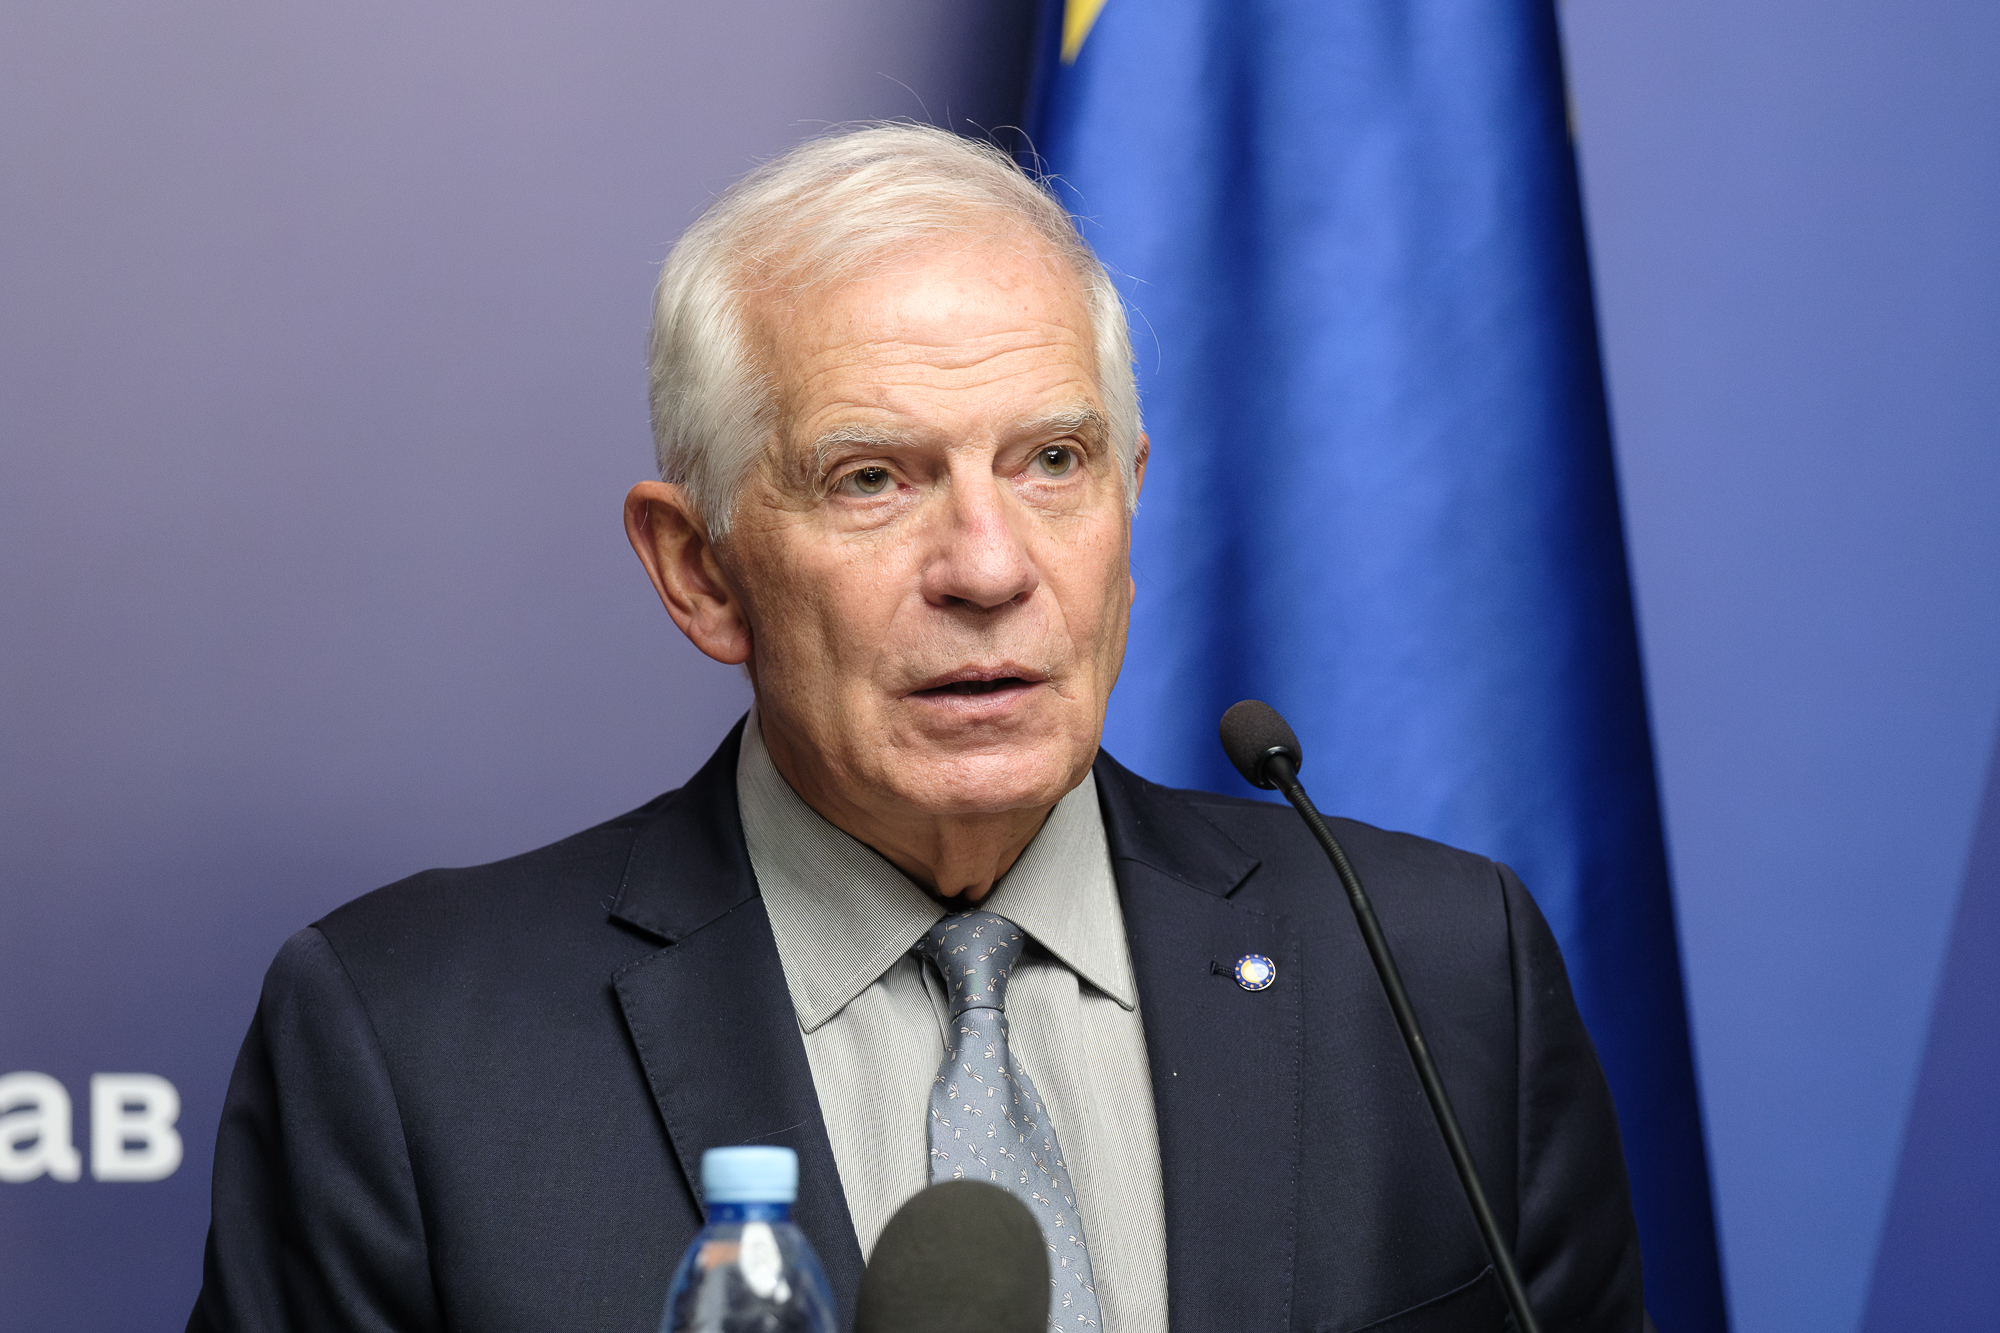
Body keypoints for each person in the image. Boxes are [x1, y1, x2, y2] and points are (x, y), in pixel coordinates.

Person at [187, 124, 1646, 1333]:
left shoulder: (1440, 972)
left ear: (1130, 504)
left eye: (1053, 461)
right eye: (873, 478)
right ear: (698, 571)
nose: (990, 567)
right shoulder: (410, 1043)